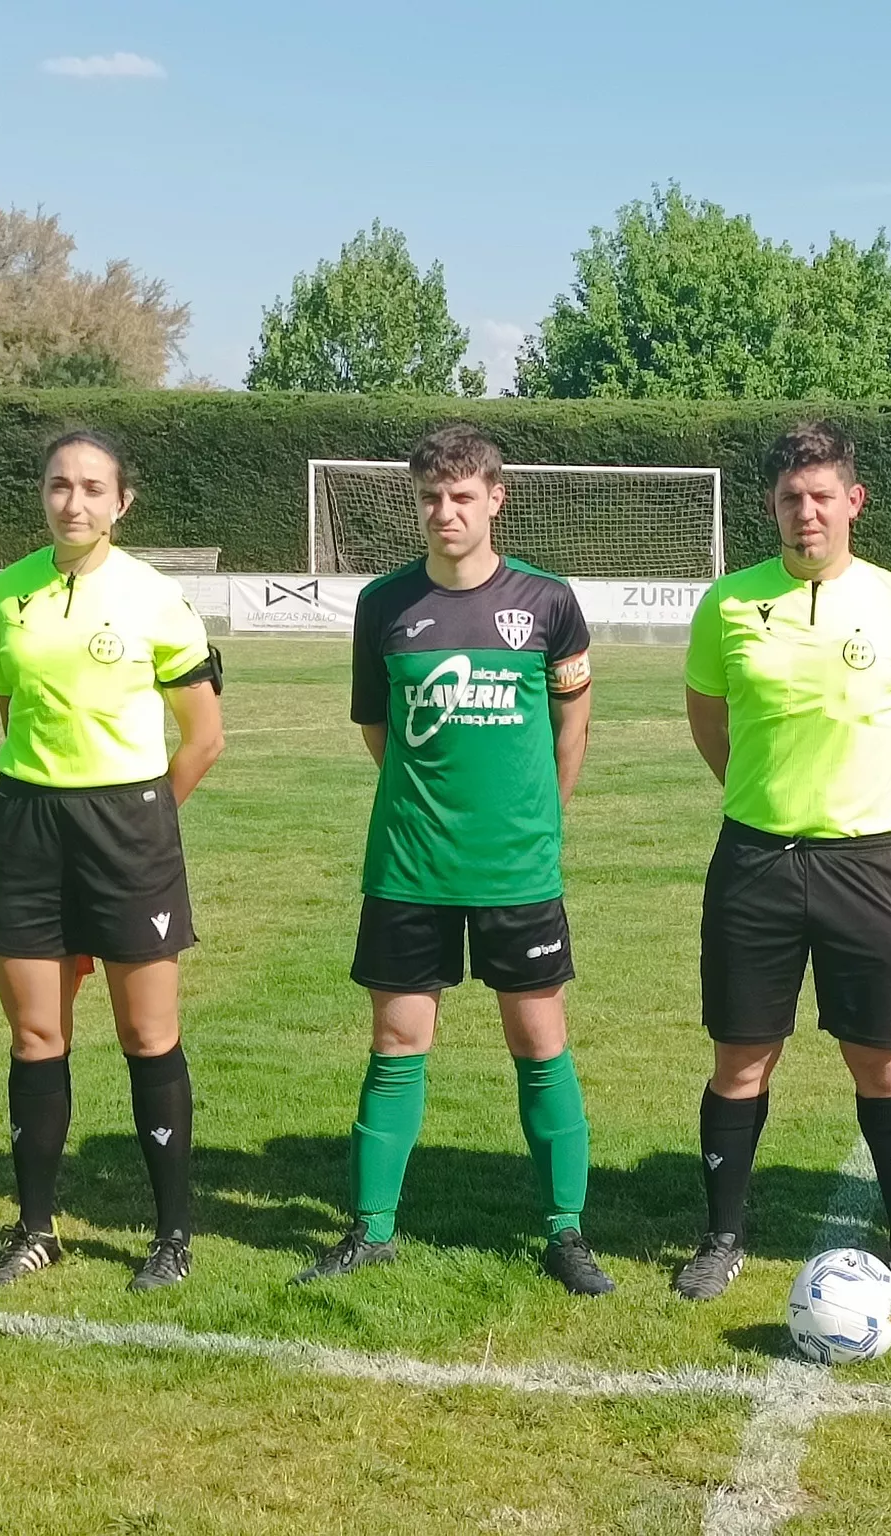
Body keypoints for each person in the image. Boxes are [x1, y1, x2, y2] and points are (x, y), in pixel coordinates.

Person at [294, 425, 612, 1297]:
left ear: (495, 499)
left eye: (463, 496)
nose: (446, 512)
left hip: (517, 869)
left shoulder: (547, 602)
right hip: (410, 866)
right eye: (431, 497)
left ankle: (566, 1232)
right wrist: (425, 801)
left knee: (539, 1041)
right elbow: (378, 728)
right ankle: (372, 1231)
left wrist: (541, 818)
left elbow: (573, 722)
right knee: (397, 1043)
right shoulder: (384, 605)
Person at [674, 420, 891, 1310]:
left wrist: (879, 810)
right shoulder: (729, 604)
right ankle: (723, 1237)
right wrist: (764, 795)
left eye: (822, 496)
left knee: (883, 1061)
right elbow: (710, 722)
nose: (807, 512)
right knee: (741, 1059)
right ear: (773, 506)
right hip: (755, 860)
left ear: (854, 502)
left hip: (865, 865)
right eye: (792, 498)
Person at [0, 430, 224, 1291]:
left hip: (128, 827)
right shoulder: (9, 590)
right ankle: (35, 1230)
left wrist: (144, 824)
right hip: (26, 824)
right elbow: (15, 711)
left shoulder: (156, 598)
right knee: (37, 1034)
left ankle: (172, 1236)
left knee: (148, 1034)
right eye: (58, 485)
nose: (72, 502)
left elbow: (204, 737)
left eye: (90, 488)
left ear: (122, 502)